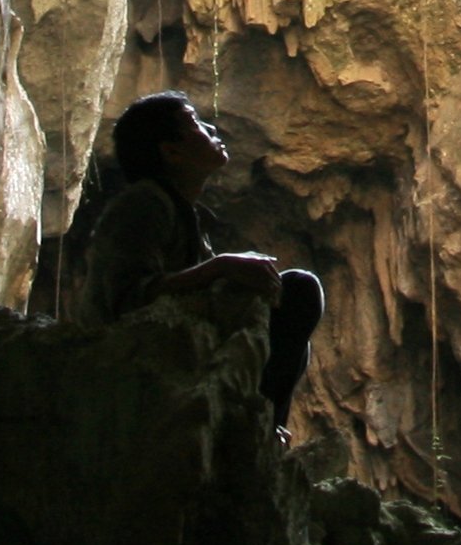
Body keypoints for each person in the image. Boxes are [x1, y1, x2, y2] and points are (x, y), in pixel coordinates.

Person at [80, 91, 325, 434]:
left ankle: (260, 425)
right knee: (298, 290)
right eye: (195, 123)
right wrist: (221, 266)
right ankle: (256, 424)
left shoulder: (179, 212)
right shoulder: (142, 203)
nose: (211, 128)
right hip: (128, 368)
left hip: (172, 357)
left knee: (289, 312)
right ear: (171, 151)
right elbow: (126, 299)